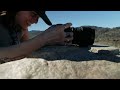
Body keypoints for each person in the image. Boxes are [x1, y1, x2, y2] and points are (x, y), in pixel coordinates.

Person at [0, 11, 73, 63]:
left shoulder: (22, 29)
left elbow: (26, 50)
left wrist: (51, 40)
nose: (35, 21)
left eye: (38, 18)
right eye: (33, 14)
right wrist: (45, 38)